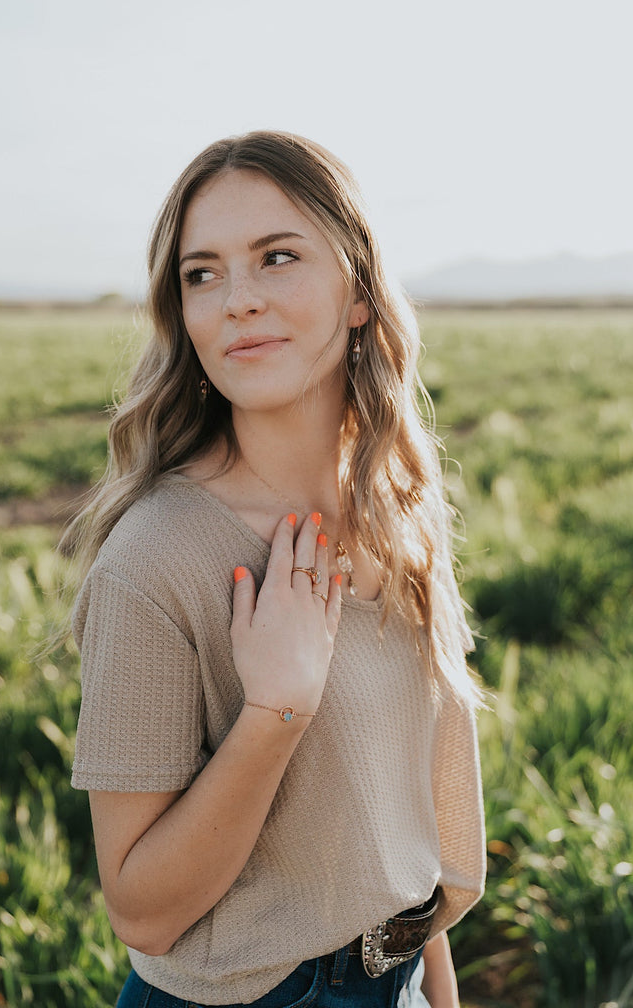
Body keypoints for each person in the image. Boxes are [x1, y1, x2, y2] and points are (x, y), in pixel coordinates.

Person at [65, 131, 486, 1008]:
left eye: (277, 258)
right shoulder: (156, 558)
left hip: (399, 978)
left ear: (361, 291)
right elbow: (141, 911)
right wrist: (275, 712)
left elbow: (403, 829)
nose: (237, 302)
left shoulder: (401, 511)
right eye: (202, 274)